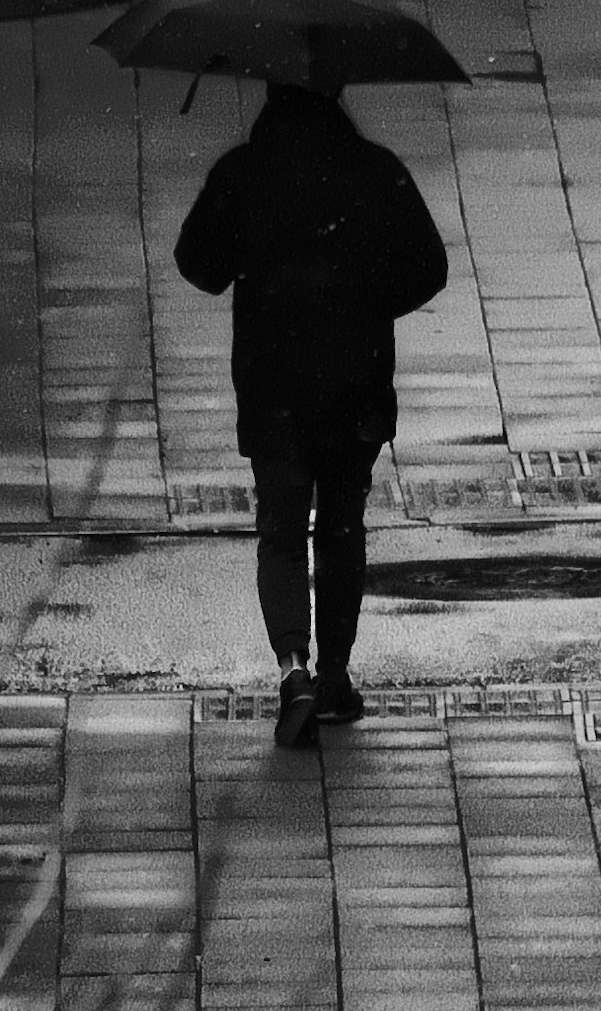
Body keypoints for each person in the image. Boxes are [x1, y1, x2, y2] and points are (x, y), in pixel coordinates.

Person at [172, 68, 449, 747]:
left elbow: (197, 263)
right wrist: (364, 297)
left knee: (282, 526)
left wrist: (255, 262)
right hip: (354, 379)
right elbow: (429, 267)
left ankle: (292, 667)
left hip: (273, 382)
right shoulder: (376, 169)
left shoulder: (243, 171)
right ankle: (335, 677)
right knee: (342, 528)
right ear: (335, 96)